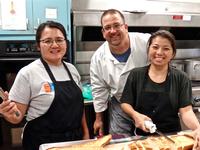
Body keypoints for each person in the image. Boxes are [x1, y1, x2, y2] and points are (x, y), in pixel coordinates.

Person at [0, 21, 89, 150]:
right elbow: (17, 117)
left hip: (73, 142)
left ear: (66, 42)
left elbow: (79, 108)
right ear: (38, 45)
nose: (54, 45)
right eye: (47, 41)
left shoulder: (72, 70)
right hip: (42, 143)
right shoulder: (28, 73)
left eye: (59, 40)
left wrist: (85, 134)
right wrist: (8, 113)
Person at [120, 30, 200, 148]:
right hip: (141, 139)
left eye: (166, 48)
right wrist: (135, 115)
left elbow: (186, 111)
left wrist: (198, 128)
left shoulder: (181, 78)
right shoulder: (136, 75)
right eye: (155, 47)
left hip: (172, 137)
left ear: (173, 54)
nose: (159, 52)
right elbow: (125, 103)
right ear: (148, 50)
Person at [90, 9, 151, 137]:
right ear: (103, 32)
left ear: (125, 27)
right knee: (119, 142)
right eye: (107, 27)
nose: (112, 31)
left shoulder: (146, 43)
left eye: (117, 25)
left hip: (149, 103)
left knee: (151, 141)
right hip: (120, 105)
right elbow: (99, 90)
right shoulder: (98, 58)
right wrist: (99, 119)